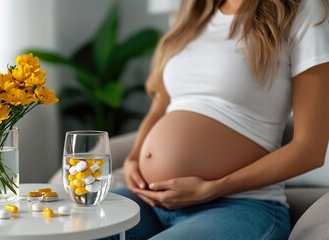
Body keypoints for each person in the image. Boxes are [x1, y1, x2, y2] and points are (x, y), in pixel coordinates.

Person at [110, 0, 329, 239]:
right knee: (73, 229)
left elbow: (310, 150)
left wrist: (213, 188)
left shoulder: (302, 11)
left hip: (238, 206)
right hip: (150, 202)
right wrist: (132, 159)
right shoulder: (195, 14)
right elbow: (161, 107)